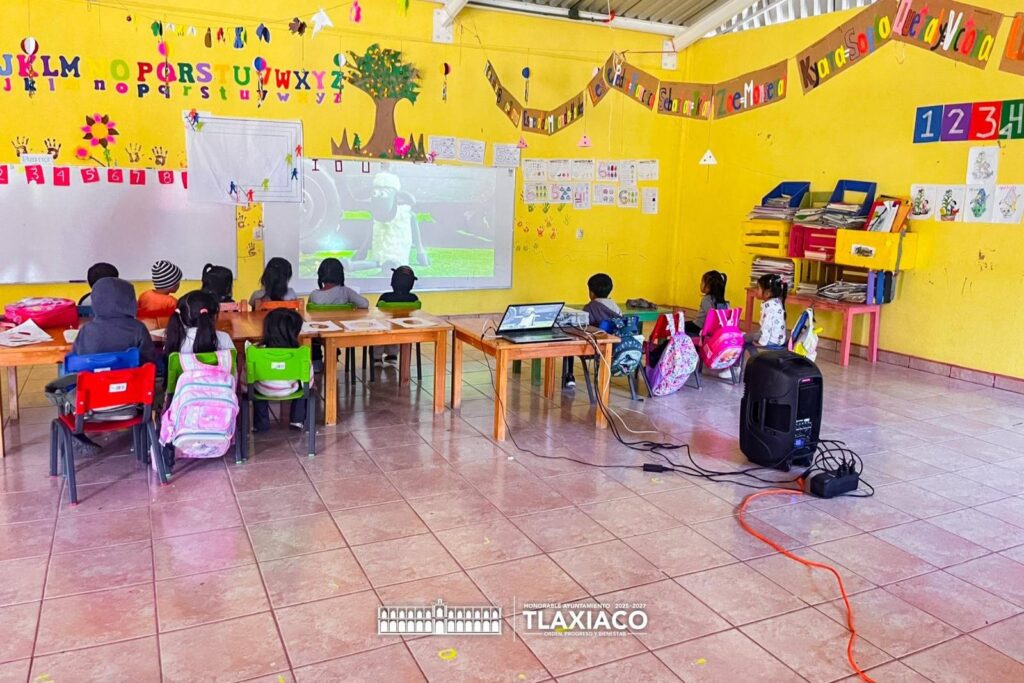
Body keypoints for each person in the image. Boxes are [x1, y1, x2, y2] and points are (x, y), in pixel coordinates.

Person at [45, 277, 157, 453]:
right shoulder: (138, 329)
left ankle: (76, 435)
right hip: (131, 404)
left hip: (89, 406)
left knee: (65, 378)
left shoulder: (86, 331)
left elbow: (76, 367)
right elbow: (149, 363)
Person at [249, 308, 309, 432]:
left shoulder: (255, 351)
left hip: (262, 390)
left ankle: (261, 424)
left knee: (256, 384)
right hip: (291, 390)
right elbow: (308, 379)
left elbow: (246, 376)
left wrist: (246, 390)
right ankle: (297, 420)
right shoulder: (300, 353)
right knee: (305, 386)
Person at [565, 273, 621, 388]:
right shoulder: (616, 307)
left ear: (591, 292)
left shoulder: (590, 307)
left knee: (570, 342)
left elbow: (583, 327)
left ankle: (569, 376)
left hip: (595, 347)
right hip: (615, 346)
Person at [164, 290, 234, 355]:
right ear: (213, 316)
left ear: (180, 316)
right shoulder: (224, 339)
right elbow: (233, 363)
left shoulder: (175, 340)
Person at [377, 266, 419, 364]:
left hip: (384, 328)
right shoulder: (414, 298)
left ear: (393, 281)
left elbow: (376, 313)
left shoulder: (385, 297)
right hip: (405, 328)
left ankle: (376, 357)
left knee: (379, 329)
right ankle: (392, 355)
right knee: (396, 328)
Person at [746, 273, 788, 351]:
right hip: (778, 339)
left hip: (772, 341)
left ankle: (756, 357)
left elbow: (767, 327)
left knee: (746, 340)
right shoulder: (776, 301)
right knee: (752, 335)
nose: (755, 290)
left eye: (758, 288)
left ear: (767, 293)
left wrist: (762, 343)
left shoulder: (770, 308)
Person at [685, 270, 729, 335]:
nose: (700, 284)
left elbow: (711, 315)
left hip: (699, 327)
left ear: (709, 286)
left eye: (702, 282)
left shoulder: (706, 299)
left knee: (681, 326)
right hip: (716, 328)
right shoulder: (722, 300)